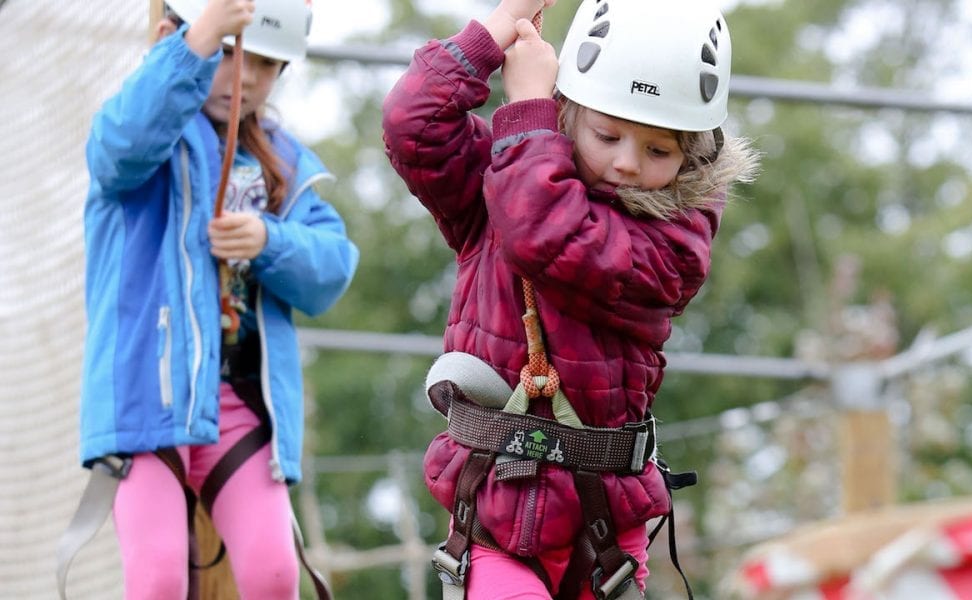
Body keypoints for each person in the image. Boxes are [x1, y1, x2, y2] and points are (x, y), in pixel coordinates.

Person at [382, 0, 759, 598]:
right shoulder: (501, 176)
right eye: (608, 134)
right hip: (494, 516)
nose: (627, 164)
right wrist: (494, 30)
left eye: (659, 151)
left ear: (692, 156)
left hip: (602, 530)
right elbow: (414, 126)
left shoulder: (675, 239)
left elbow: (548, 234)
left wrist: (526, 113)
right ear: (569, 113)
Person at [77, 0, 358, 597]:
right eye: (228, 54)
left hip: (241, 406)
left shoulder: (284, 164)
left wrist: (269, 240)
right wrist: (195, 43)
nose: (247, 77)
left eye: (266, 63)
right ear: (171, 40)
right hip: (147, 403)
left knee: (274, 574)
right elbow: (118, 147)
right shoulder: (143, 145)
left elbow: (332, 267)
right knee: (155, 580)